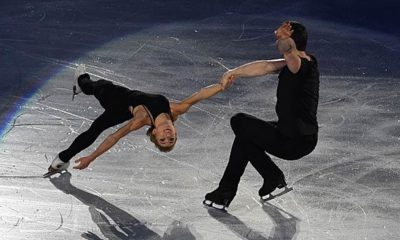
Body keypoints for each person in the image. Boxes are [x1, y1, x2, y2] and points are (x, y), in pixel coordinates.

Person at [203, 21, 319, 211]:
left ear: (291, 40)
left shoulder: (301, 65)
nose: (277, 33)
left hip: (295, 141)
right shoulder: (295, 63)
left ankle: (264, 178)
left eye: (282, 33)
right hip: (293, 134)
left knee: (239, 121)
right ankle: (228, 191)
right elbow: (265, 66)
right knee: (245, 136)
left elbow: (290, 53)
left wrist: (283, 38)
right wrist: (233, 72)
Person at [44, 68, 226, 177]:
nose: (168, 137)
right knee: (92, 89)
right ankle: (82, 86)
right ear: (175, 132)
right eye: (171, 139)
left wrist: (91, 158)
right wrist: (222, 85)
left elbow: (114, 137)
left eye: (163, 140)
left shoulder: (142, 120)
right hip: (124, 95)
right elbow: (200, 95)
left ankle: (62, 158)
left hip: (114, 101)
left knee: (93, 96)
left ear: (154, 133)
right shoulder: (175, 109)